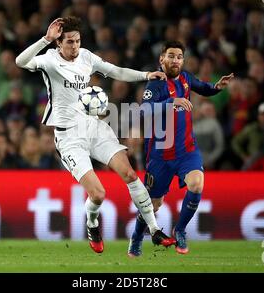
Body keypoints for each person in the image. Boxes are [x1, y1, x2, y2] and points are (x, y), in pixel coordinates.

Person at [15, 16, 175, 253]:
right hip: (69, 137)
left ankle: (154, 230)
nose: (74, 47)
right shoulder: (49, 60)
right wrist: (44, 40)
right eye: (69, 42)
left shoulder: (87, 57)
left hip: (94, 126)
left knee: (130, 174)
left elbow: (115, 70)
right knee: (98, 194)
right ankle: (92, 223)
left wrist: (145, 75)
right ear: (58, 43)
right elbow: (20, 61)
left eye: (77, 41)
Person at [128, 41, 233, 256]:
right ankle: (137, 237)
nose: (175, 60)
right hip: (160, 155)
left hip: (187, 150)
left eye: (179, 57)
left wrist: (216, 87)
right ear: (162, 59)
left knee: (196, 183)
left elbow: (202, 86)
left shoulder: (185, 78)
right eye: (171, 56)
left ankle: (181, 230)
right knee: (153, 205)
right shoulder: (155, 84)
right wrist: (171, 102)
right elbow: (143, 112)